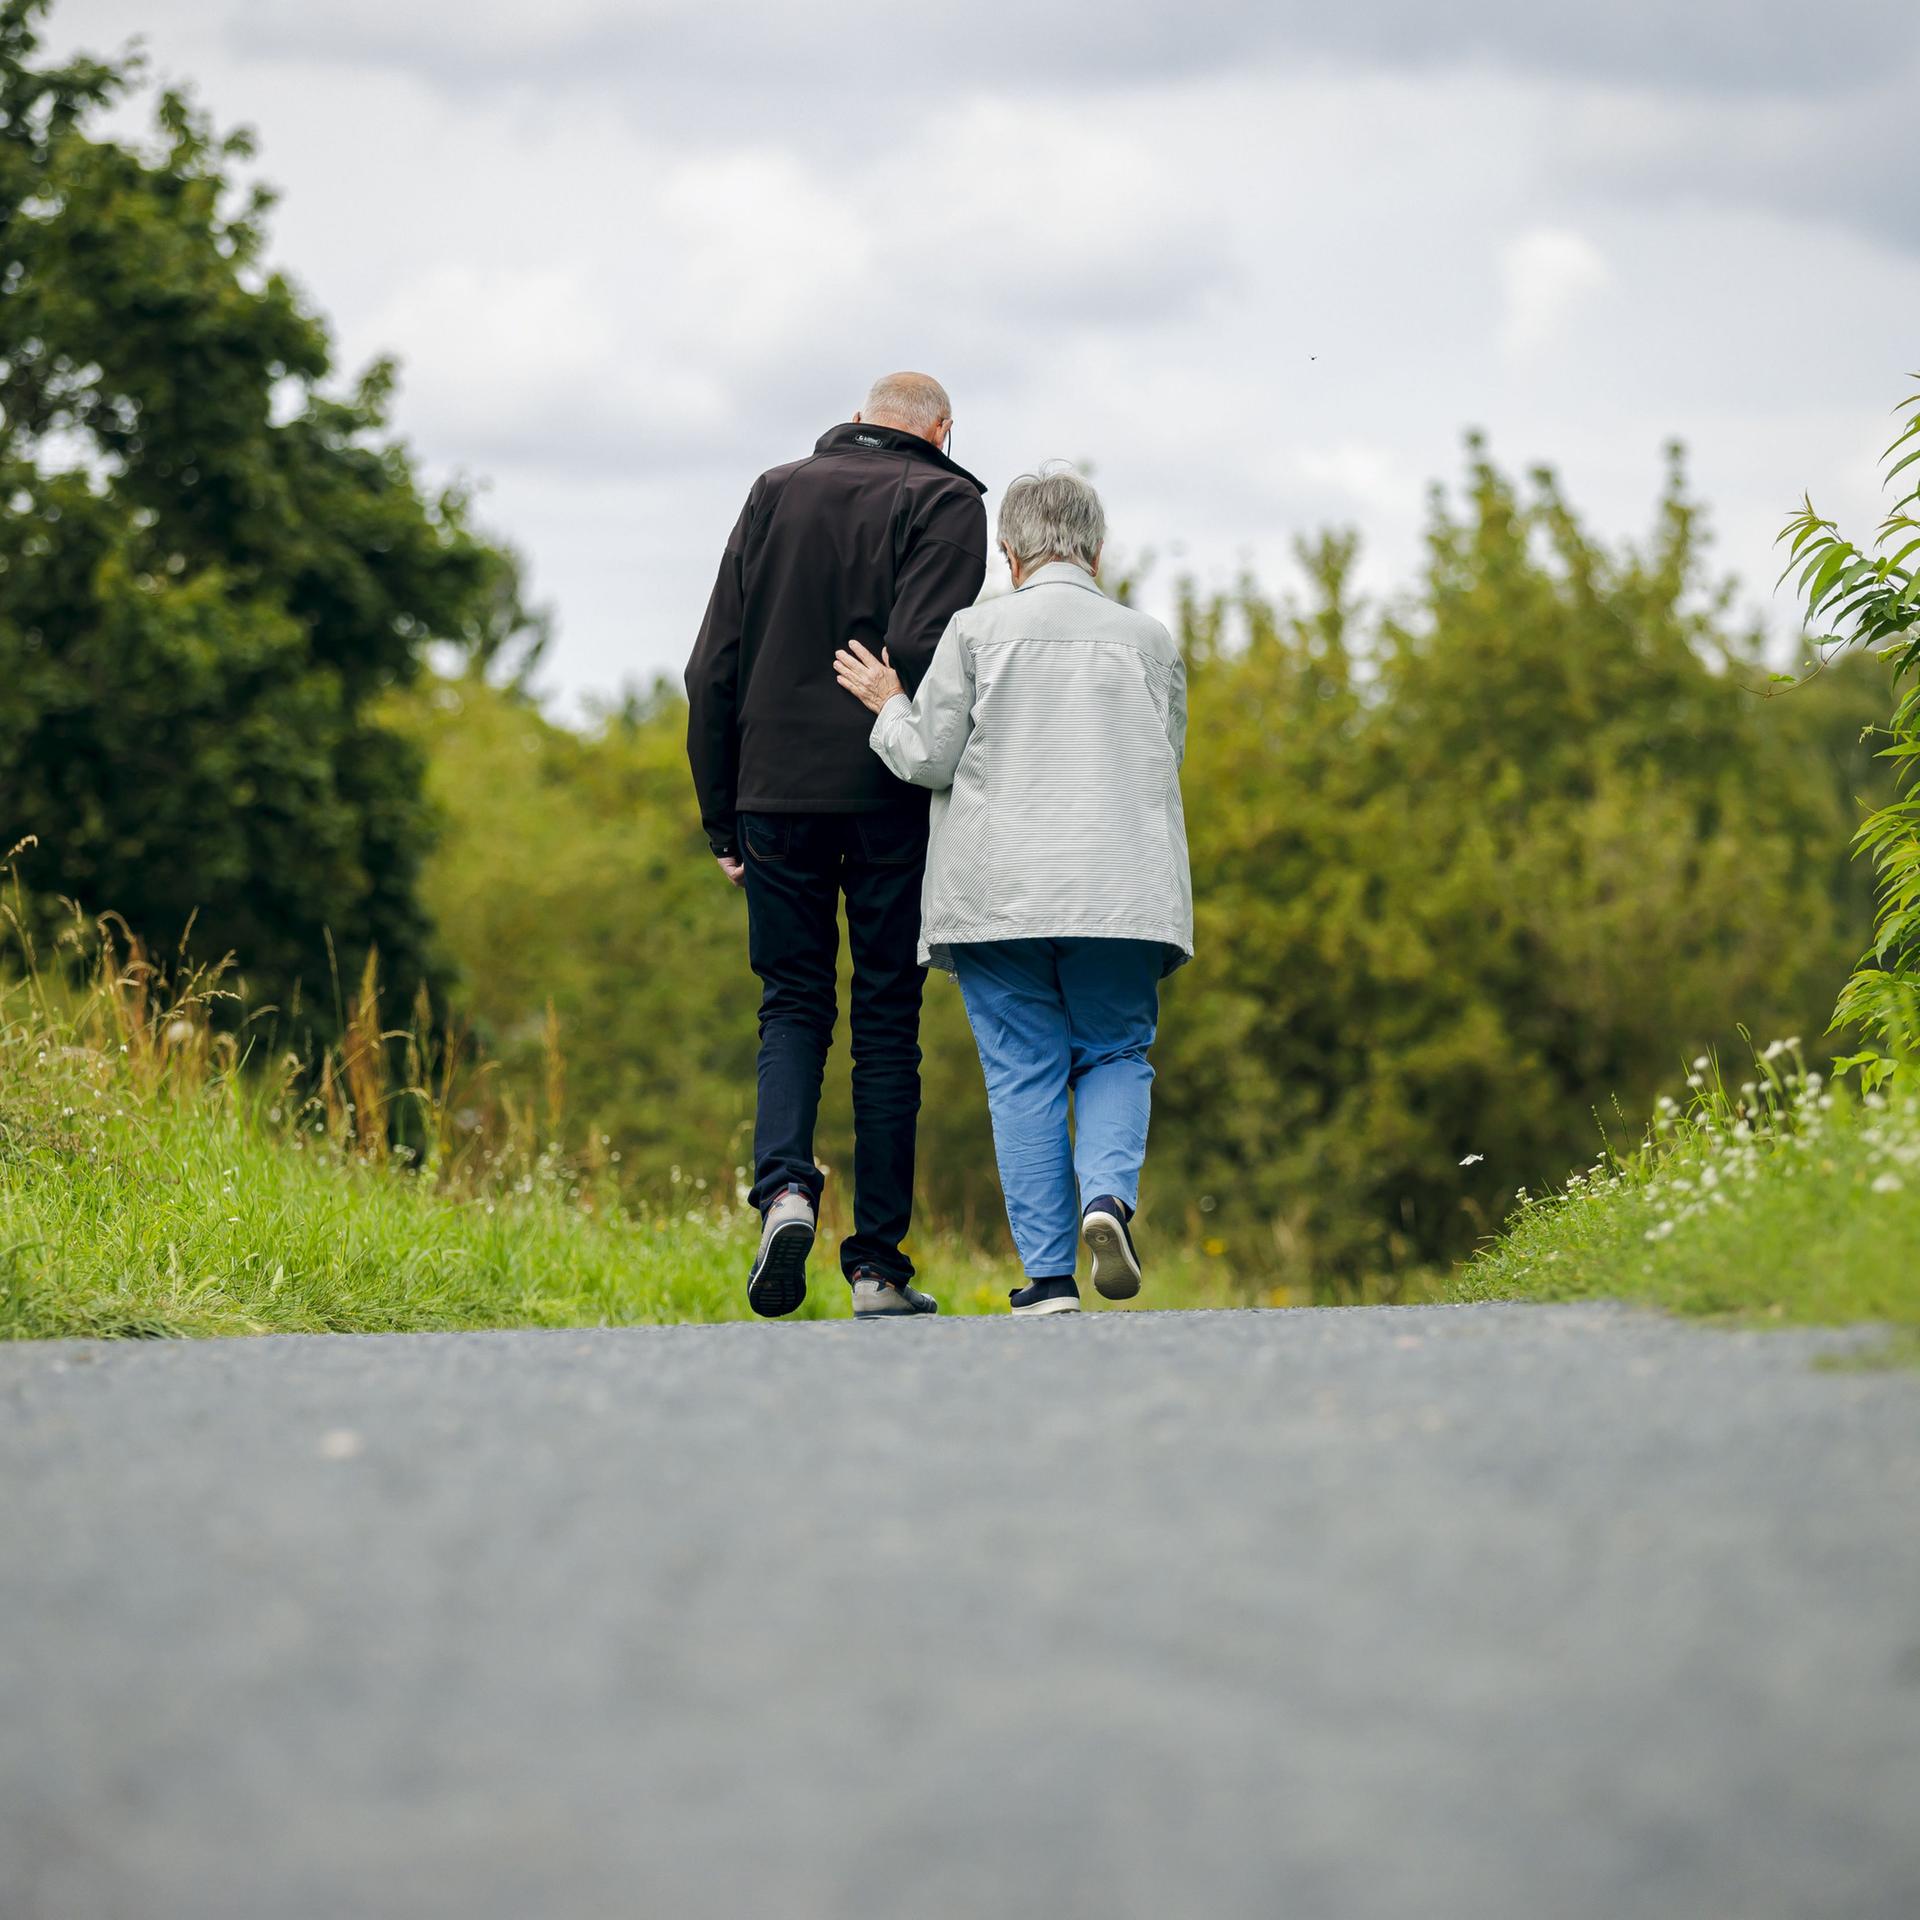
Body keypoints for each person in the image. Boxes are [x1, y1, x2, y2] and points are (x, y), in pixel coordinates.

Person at [834, 466, 1192, 1317]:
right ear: (1095, 551)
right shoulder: (1150, 640)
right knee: (1114, 1051)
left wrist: (888, 702)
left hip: (1000, 892)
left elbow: (929, 757)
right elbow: (1164, 757)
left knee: (1023, 1074)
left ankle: (1050, 1280)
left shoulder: (974, 631)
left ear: (1009, 551)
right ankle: (1106, 1199)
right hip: (1122, 889)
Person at [685, 372, 988, 1320]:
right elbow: (921, 648)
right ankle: (877, 1270)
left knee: (791, 1003)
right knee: (888, 1021)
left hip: (773, 790)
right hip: (888, 790)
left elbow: (711, 665)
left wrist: (719, 811)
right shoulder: (948, 499)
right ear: (940, 430)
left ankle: (783, 1189)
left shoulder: (775, 490)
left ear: (859, 421)